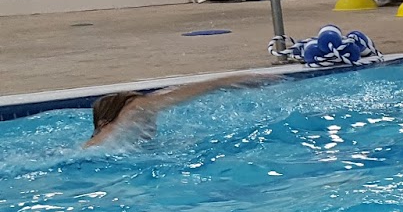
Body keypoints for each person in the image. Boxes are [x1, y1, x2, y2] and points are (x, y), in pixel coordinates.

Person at [84, 73, 271, 149]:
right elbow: (164, 98)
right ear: (104, 123)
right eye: (145, 116)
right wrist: (225, 82)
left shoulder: (123, 145)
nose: (150, 120)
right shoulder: (121, 126)